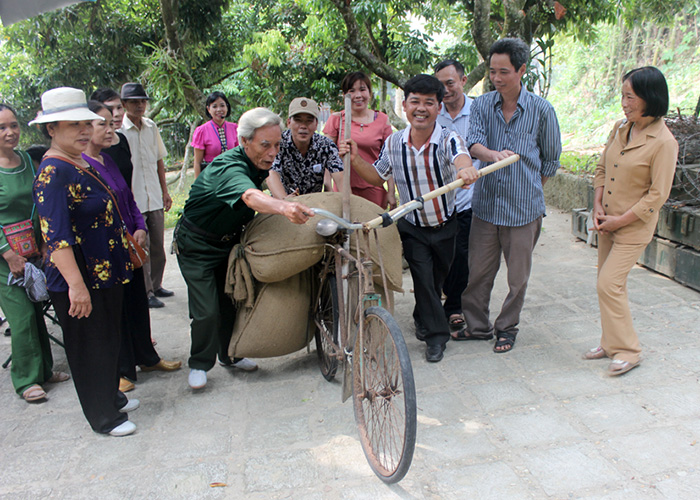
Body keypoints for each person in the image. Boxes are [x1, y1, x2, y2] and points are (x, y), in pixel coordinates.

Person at [339, 75, 478, 363]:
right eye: (415, 101)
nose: (421, 108)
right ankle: (436, 338)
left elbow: (461, 158)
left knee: (436, 281)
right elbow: (377, 176)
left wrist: (465, 171)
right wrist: (354, 159)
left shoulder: (449, 139)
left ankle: (422, 315)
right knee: (424, 279)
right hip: (412, 227)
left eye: (429, 102)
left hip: (445, 225)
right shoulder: (394, 142)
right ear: (405, 106)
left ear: (439, 108)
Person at [175, 107, 314, 389]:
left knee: (230, 303)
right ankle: (200, 364)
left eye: (277, 145)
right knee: (206, 311)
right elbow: (250, 197)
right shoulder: (229, 167)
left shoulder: (258, 162)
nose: (273, 152)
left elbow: (269, 177)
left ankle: (231, 355)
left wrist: (284, 197)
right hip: (197, 245)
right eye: (266, 145)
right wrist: (283, 207)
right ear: (244, 142)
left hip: (228, 243)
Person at [31, 87, 138, 436]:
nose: (83, 130)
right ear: (51, 129)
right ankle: (103, 417)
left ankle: (112, 399)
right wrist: (76, 287)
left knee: (107, 339)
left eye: (85, 123)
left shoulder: (79, 163)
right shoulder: (53, 172)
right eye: (72, 125)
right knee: (89, 346)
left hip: (103, 269)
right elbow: (56, 237)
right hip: (79, 276)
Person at [460, 37, 562, 353]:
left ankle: (507, 327)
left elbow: (551, 159)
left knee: (517, 279)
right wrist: (492, 155)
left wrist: (529, 189)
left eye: (504, 71)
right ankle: (477, 326)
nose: (497, 78)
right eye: (493, 71)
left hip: (524, 211)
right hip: (486, 207)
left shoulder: (542, 110)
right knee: (478, 273)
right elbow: (473, 143)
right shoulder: (480, 105)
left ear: (521, 70)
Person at [82, 100, 182, 393]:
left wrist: (139, 226)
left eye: (111, 122)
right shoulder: (81, 167)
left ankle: (147, 357)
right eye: (103, 123)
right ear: (86, 129)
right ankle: (121, 369)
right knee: (116, 311)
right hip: (106, 249)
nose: (112, 126)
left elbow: (128, 198)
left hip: (130, 245)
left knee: (138, 301)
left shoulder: (108, 159)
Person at [584, 67, 678, 376]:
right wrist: (597, 206)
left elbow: (657, 195)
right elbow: (601, 168)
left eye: (630, 97)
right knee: (610, 285)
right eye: (622, 96)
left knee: (608, 284)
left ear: (649, 98)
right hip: (606, 221)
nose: (624, 103)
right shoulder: (620, 128)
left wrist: (620, 220)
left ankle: (629, 350)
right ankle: (610, 342)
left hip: (633, 227)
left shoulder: (663, 142)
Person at [0, 103, 69, 403]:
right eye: (2, 128)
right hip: (4, 259)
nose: (10, 132)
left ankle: (44, 369)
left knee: (39, 307)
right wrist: (7, 253)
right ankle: (26, 379)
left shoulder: (30, 160)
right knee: (23, 316)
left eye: (13, 125)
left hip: (33, 250)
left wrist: (43, 244)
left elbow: (41, 202)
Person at [434, 59, 480, 333]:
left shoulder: (480, 111)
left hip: (468, 198)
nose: (446, 90)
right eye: (440, 86)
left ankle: (454, 307)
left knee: (461, 254)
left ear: (463, 81)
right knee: (441, 255)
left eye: (450, 83)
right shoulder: (432, 113)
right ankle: (441, 298)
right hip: (438, 199)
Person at [118, 82, 174, 309]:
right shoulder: (118, 132)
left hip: (154, 195)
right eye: (134, 102)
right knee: (142, 246)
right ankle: (146, 291)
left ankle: (156, 284)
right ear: (124, 105)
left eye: (142, 101)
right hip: (134, 198)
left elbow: (159, 160)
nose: (140, 105)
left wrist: (165, 190)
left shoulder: (151, 127)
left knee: (159, 245)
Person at [324, 72, 396, 209]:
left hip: (374, 189)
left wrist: (391, 191)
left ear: (369, 93)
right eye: (352, 91)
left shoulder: (382, 120)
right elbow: (326, 155)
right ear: (345, 95)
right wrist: (327, 185)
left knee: (373, 228)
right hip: (343, 189)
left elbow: (390, 160)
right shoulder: (337, 119)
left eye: (362, 89)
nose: (358, 95)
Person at [267, 97, 344, 199]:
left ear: (316, 124)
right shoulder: (278, 143)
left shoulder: (326, 146)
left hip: (314, 207)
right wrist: (285, 202)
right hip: (282, 204)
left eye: (309, 121)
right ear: (289, 123)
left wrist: (349, 203)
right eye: (298, 121)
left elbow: (341, 178)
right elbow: (272, 174)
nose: (303, 126)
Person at [90, 88, 134, 187]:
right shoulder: (90, 150)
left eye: (119, 107)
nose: (117, 114)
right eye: (110, 109)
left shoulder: (122, 139)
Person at [191, 91, 239, 178]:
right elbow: (197, 162)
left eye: (222, 105)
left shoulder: (235, 128)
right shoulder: (202, 131)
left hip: (232, 175)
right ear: (208, 109)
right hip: (212, 177)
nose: (219, 109)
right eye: (214, 106)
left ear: (227, 107)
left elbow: (239, 156)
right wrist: (197, 186)